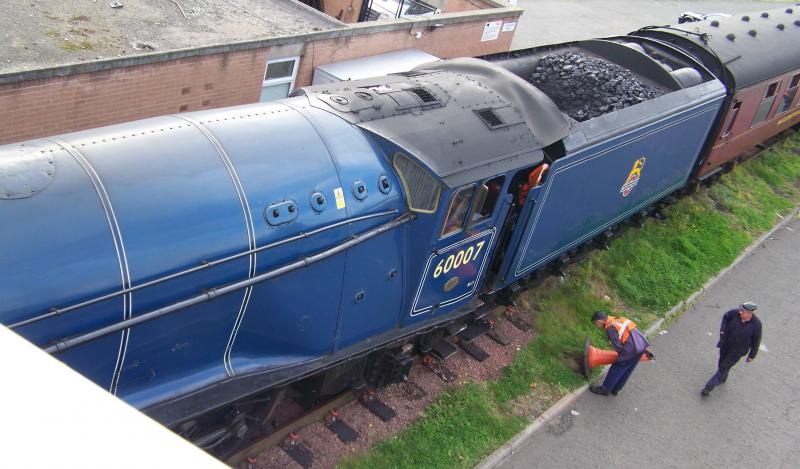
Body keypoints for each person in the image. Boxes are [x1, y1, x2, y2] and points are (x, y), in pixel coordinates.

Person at [701, 302, 762, 397]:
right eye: (741, 310)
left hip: (737, 351)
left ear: (750, 313)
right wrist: (722, 331)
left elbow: (756, 341)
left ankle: (708, 388)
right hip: (726, 344)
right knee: (721, 362)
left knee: (723, 367)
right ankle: (723, 376)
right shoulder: (734, 313)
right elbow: (725, 317)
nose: (740, 312)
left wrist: (751, 355)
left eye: (743, 311)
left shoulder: (756, 325)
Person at [589, 311, 651, 396]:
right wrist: (644, 348)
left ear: (600, 321)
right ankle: (616, 389)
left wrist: (621, 358)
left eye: (596, 323)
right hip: (641, 345)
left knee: (617, 368)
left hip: (631, 350)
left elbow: (619, 347)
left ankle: (605, 389)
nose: (597, 325)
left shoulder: (610, 328)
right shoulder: (620, 319)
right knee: (628, 369)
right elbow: (634, 331)